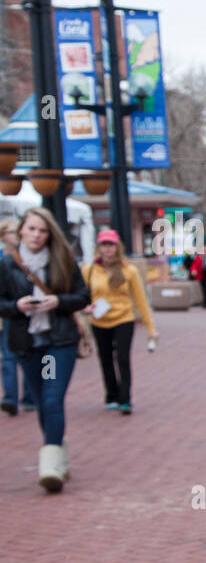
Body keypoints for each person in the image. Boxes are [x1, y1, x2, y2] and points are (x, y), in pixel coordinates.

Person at [0, 206, 90, 491]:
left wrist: (58, 302)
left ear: (49, 233)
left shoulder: (62, 259)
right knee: (40, 401)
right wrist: (16, 306)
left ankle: (49, 463)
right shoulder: (7, 265)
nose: (36, 235)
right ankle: (57, 451)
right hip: (27, 343)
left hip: (56, 342)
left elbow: (83, 296)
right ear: (21, 231)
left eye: (42, 230)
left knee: (51, 398)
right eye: (31, 229)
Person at [82, 228, 158, 414]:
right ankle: (111, 395)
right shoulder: (89, 270)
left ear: (118, 247)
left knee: (123, 359)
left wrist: (151, 327)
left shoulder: (128, 270)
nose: (108, 249)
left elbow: (140, 300)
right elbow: (83, 296)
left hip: (123, 318)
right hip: (99, 321)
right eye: (104, 245)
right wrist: (85, 308)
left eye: (111, 245)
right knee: (105, 359)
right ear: (99, 247)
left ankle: (125, 400)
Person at [0, 218, 37, 415]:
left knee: (31, 354)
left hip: (33, 312)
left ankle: (31, 397)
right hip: (10, 312)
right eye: (11, 232)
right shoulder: (4, 260)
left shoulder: (31, 256)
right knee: (8, 357)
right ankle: (10, 399)